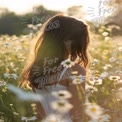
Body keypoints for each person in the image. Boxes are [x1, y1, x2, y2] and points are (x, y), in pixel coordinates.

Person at [20, 14, 90, 122]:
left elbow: (40, 113)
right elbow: (77, 113)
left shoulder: (36, 70)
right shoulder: (75, 71)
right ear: (67, 40)